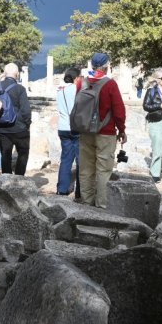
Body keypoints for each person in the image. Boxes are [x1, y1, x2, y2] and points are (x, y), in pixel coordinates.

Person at [75, 53, 127, 208]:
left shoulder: (82, 83)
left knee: (86, 169)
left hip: (85, 131)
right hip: (106, 132)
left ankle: (86, 201)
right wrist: (122, 130)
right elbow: (119, 111)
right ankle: (101, 205)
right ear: (107, 66)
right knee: (103, 170)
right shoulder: (110, 84)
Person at [0, 63, 32, 175]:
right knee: (23, 153)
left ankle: (6, 179)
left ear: (4, 73)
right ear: (17, 74)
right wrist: (27, 124)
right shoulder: (20, 89)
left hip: (2, 128)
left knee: (5, 154)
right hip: (19, 128)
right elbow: (26, 110)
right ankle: (19, 177)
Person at [55, 67, 79, 197]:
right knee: (80, 160)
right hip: (75, 127)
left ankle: (62, 188)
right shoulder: (76, 89)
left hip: (62, 126)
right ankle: (80, 191)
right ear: (76, 78)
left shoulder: (59, 90)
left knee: (65, 159)